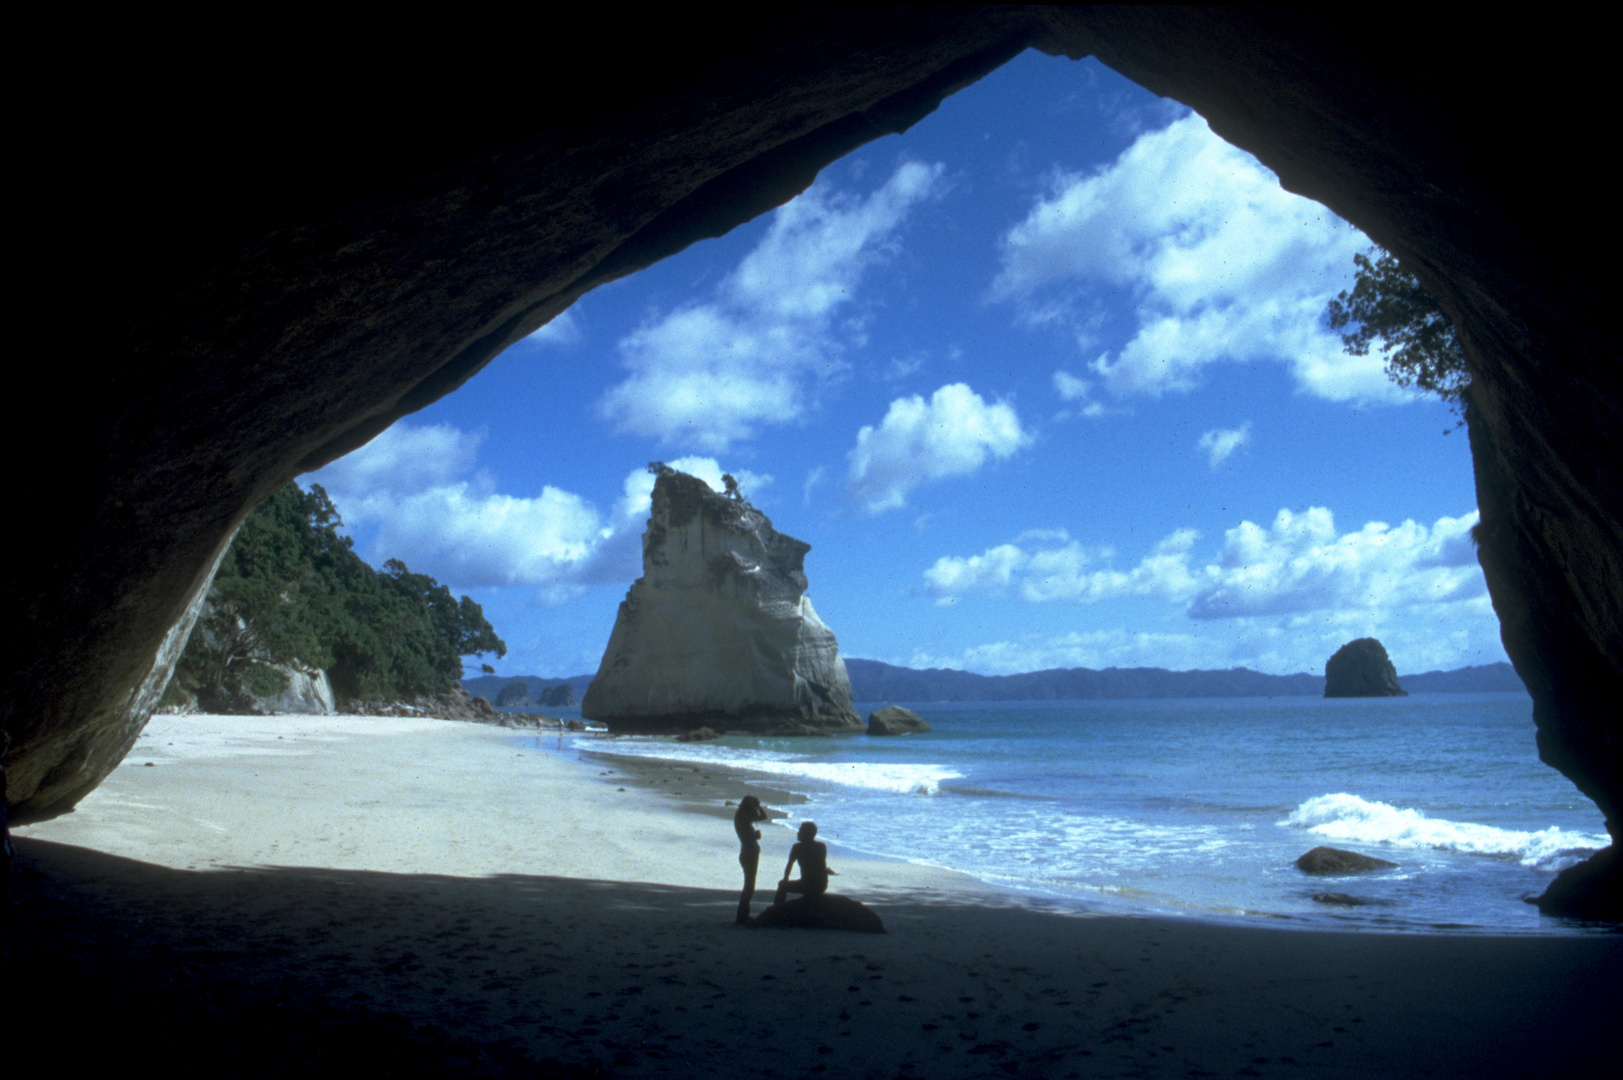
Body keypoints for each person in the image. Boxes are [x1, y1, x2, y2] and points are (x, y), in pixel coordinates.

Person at [733, 795, 770, 924]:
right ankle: (742, 917)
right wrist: (758, 806)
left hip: (748, 852)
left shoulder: (742, 819)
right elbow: (763, 816)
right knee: (749, 886)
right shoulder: (744, 819)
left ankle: (742, 915)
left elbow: (748, 836)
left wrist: (755, 836)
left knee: (749, 885)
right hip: (750, 853)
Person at [774, 821, 830, 907]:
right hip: (821, 885)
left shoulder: (797, 847)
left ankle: (777, 910)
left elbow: (789, 865)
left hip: (807, 884)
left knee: (782, 885)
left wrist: (785, 879)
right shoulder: (821, 846)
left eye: (800, 831)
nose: (798, 833)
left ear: (806, 833)